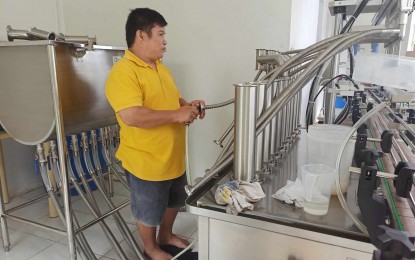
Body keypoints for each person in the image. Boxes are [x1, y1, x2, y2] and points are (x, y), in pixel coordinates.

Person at [105, 8, 205, 260]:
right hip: (146, 160)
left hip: (171, 154)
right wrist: (176, 115)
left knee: (174, 200)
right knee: (148, 210)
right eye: (160, 34)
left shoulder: (160, 67)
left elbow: (170, 99)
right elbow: (131, 115)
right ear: (141, 35)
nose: (165, 41)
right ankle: (150, 249)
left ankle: (166, 236)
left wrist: (186, 105)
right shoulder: (124, 72)